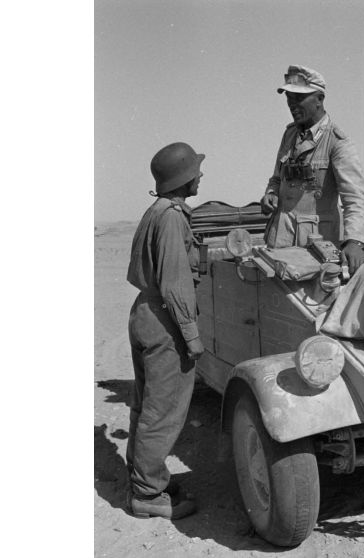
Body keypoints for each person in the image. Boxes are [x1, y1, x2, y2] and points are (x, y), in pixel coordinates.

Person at [125, 141, 205, 519]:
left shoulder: (156, 210)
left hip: (145, 312)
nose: (200, 175)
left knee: (146, 406)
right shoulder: (173, 217)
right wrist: (191, 337)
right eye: (196, 171)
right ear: (184, 178)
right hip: (164, 321)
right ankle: (148, 493)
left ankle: (146, 476)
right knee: (164, 410)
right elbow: (175, 283)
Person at [260, 65, 364, 275]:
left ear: (319, 99)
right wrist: (271, 193)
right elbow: (277, 178)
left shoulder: (338, 143)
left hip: (317, 248)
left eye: (299, 98)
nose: (292, 105)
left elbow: (357, 197)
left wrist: (355, 241)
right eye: (289, 98)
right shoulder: (290, 135)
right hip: (281, 241)